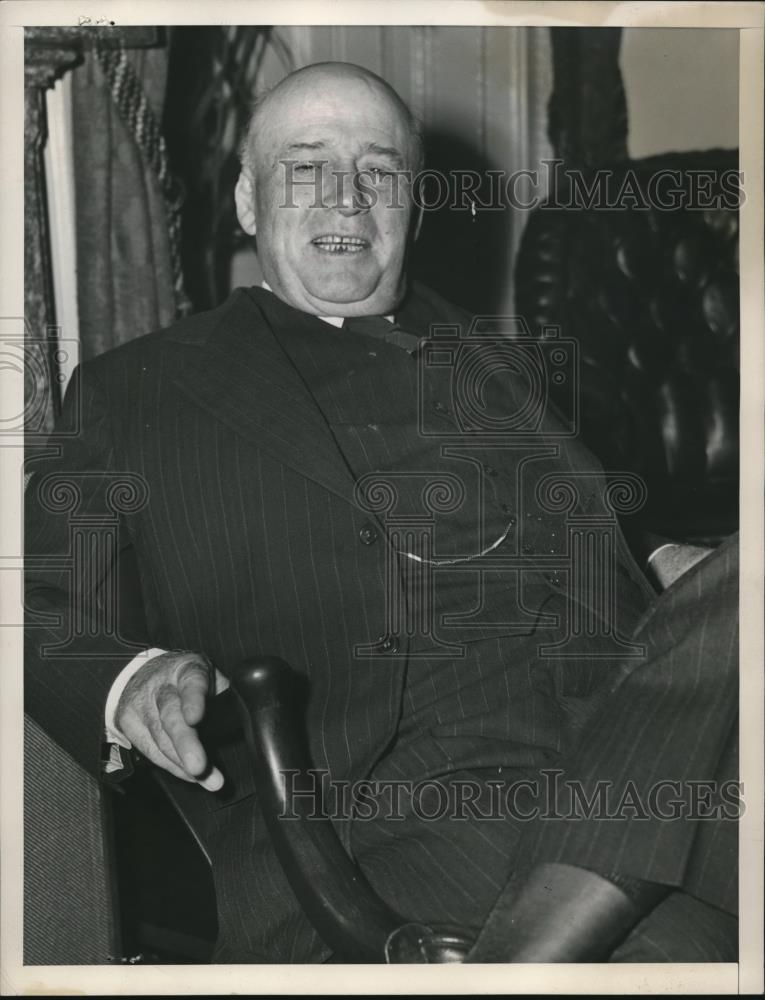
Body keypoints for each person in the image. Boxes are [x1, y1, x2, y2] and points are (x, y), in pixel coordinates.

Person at [24, 62, 737, 963]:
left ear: (414, 204)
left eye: (379, 169)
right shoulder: (138, 390)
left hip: (637, 776)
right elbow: (30, 599)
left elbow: (596, 543)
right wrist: (130, 683)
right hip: (390, 828)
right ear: (248, 201)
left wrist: (675, 568)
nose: (346, 197)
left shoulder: (505, 365)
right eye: (306, 165)